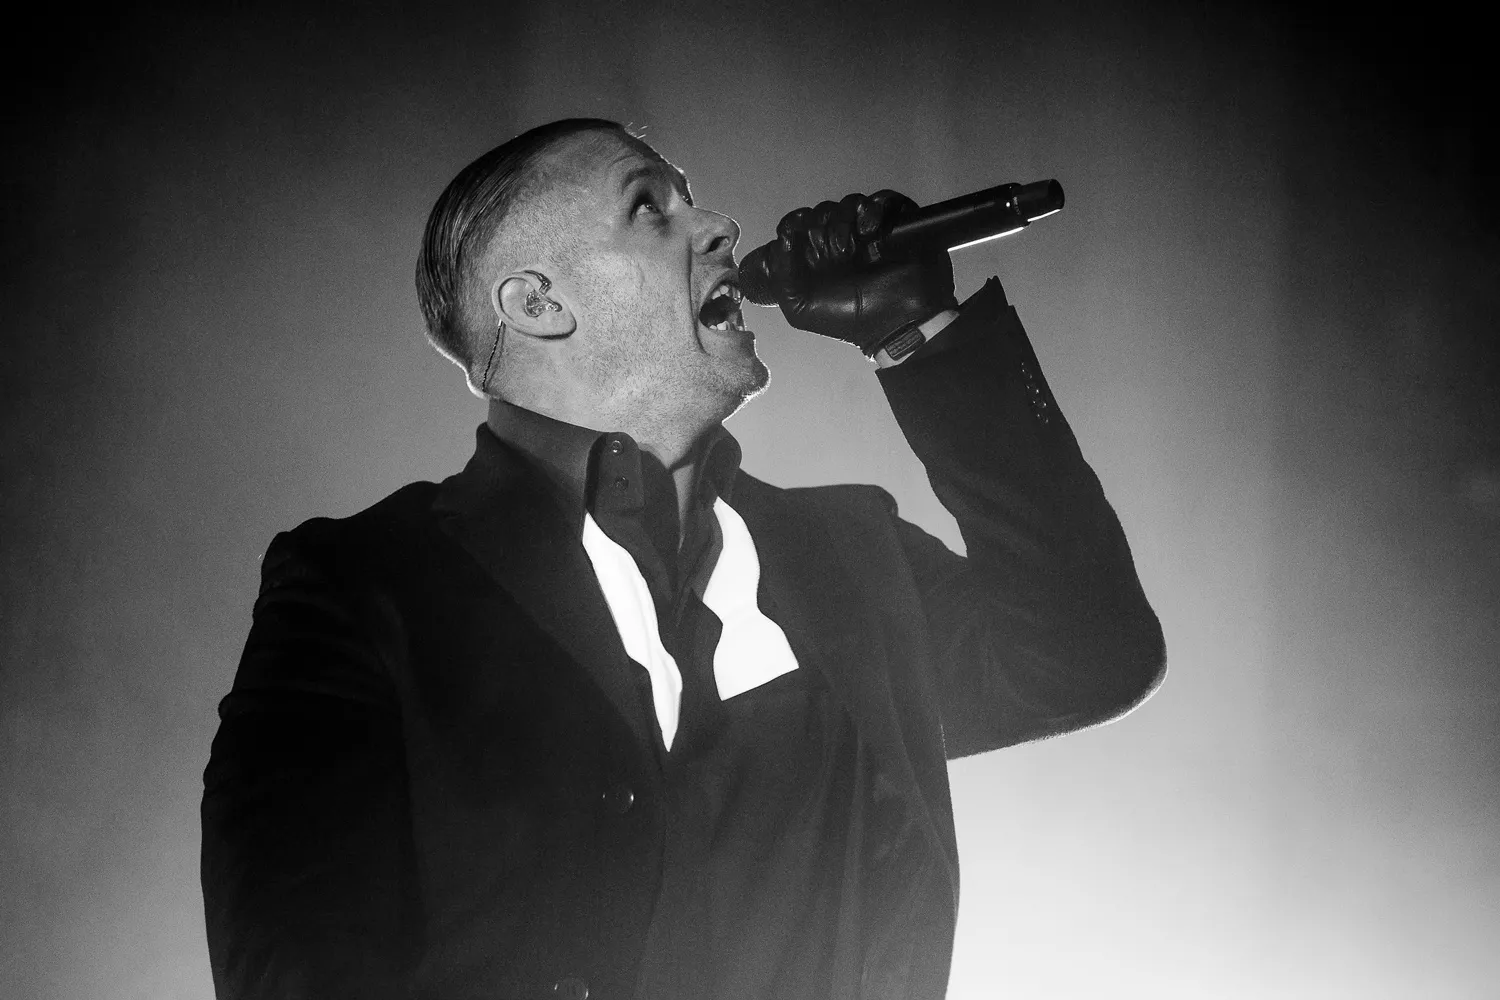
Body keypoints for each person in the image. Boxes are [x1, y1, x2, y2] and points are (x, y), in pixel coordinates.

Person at [200, 117, 1165, 1000]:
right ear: (537, 303)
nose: (720, 226)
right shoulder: (368, 584)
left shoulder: (847, 556)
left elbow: (1090, 656)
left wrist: (920, 334)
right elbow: (299, 970)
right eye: (649, 207)